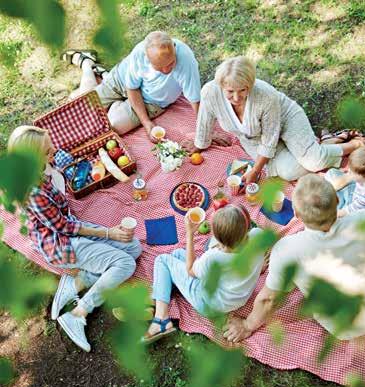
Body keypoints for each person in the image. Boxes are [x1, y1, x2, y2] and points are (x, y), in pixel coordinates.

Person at [8, 126, 142, 352]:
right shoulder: (34, 192)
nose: (53, 150)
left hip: (69, 226)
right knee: (125, 263)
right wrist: (109, 233)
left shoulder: (40, 167)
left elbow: (67, 169)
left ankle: (78, 281)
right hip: (60, 242)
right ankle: (78, 314)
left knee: (134, 247)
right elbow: (64, 228)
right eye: (46, 150)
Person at [223, 174, 365, 343]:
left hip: (344, 328)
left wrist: (247, 325)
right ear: (338, 201)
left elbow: (268, 299)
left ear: (296, 214)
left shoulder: (286, 250)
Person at [182, 56, 365, 183]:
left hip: (286, 118)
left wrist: (256, 170)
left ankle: (354, 145)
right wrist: (200, 144)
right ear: (221, 85)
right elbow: (204, 122)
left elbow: (270, 138)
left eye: (243, 90)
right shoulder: (210, 92)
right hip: (254, 137)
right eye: (230, 92)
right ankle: (324, 143)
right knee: (288, 172)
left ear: (251, 85)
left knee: (313, 161)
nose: (237, 98)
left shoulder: (266, 96)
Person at [143, 205, 266, 343]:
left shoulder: (213, 258)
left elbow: (190, 270)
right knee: (176, 254)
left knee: (163, 260)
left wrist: (189, 233)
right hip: (238, 297)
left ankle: (161, 319)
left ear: (219, 240)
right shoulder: (258, 235)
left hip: (209, 303)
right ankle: (161, 294)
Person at [61, 31, 201, 141]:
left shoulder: (186, 61)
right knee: (82, 108)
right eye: (159, 67)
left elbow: (196, 101)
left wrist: (204, 134)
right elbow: (132, 88)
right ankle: (87, 64)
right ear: (147, 58)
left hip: (151, 101)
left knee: (111, 125)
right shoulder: (140, 53)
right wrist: (146, 123)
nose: (166, 71)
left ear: (174, 49)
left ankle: (102, 79)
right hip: (122, 81)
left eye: (171, 63)